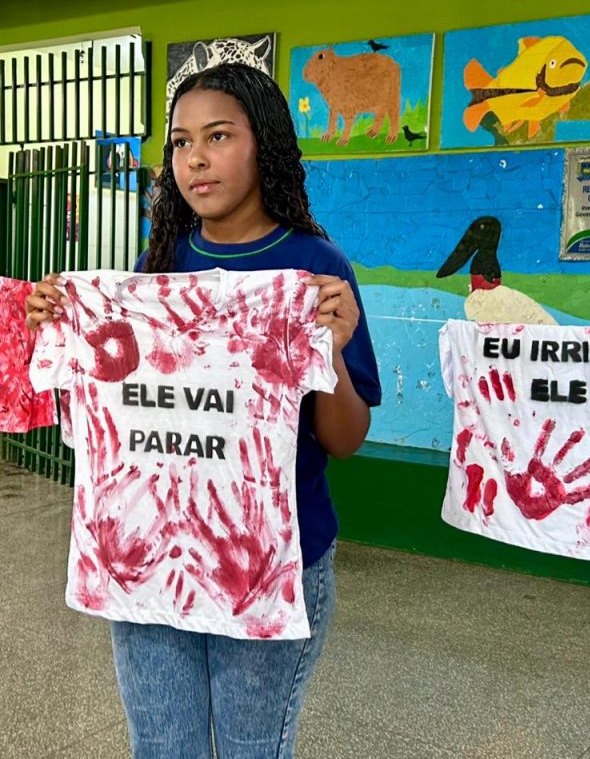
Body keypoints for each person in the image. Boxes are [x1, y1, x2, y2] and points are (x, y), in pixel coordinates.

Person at [25, 62, 381, 759]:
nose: (195, 159)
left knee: (253, 749)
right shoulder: (156, 266)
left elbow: (346, 439)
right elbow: (114, 416)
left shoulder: (314, 268)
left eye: (218, 136)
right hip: (151, 559)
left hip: (273, 561)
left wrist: (332, 352)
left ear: (265, 145)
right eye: (182, 143)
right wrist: (61, 329)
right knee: (162, 746)